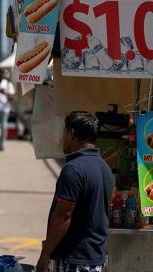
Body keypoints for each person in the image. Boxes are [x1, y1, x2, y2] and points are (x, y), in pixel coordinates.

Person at [36, 111, 113, 272]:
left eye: (64, 132)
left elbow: (64, 216)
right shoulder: (103, 167)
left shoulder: (73, 169)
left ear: (71, 133)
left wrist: (45, 256)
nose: (62, 138)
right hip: (94, 257)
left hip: (75, 259)